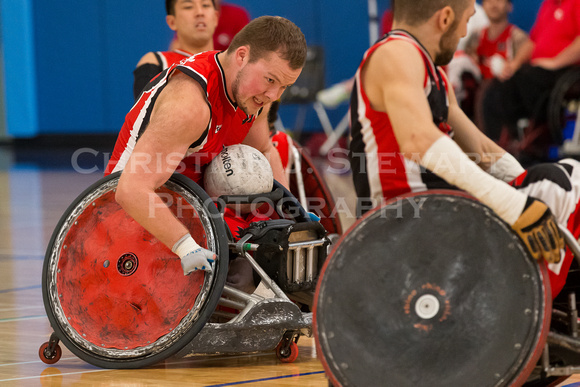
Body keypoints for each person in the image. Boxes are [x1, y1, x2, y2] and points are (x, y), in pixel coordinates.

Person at [349, 0, 580, 299]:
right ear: (445, 18)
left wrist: (523, 193)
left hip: (444, 214)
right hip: (406, 225)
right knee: (555, 185)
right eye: (467, 20)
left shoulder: (431, 70)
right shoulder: (396, 52)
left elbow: (483, 151)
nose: (464, 32)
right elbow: (418, 140)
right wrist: (513, 204)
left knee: (570, 176)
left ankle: (549, 300)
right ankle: (517, 312)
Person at [105, 16, 307, 276]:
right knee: (253, 268)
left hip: (195, 200)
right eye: (270, 81)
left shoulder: (256, 95)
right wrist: (185, 245)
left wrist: (289, 214)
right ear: (242, 56)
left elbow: (265, 151)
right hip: (130, 213)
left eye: (285, 87)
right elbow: (131, 190)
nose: (274, 96)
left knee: (277, 238)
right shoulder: (189, 105)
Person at [481, 0, 580, 155]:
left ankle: (530, 140)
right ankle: (496, 144)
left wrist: (555, 62)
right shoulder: (548, 4)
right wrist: (513, 65)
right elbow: (531, 42)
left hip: (565, 70)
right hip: (538, 68)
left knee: (526, 79)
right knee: (498, 85)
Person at [133, 0, 219, 100]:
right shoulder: (157, 61)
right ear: (172, 22)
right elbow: (146, 111)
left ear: (216, 18)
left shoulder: (232, 63)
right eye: (188, 7)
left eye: (205, 5)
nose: (200, 12)